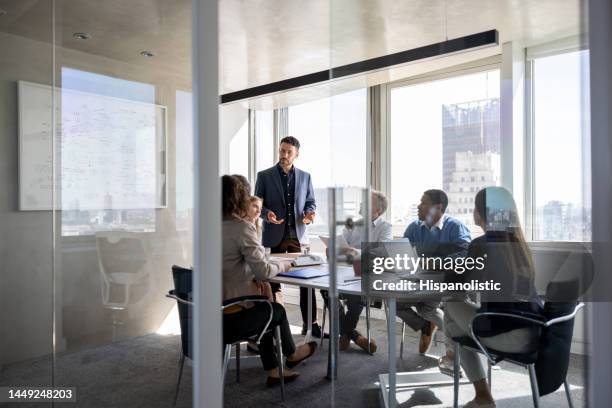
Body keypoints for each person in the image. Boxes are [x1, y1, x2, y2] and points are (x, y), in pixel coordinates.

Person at [444, 186, 543, 408]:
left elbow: (455, 284)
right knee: (455, 329)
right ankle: (454, 360)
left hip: (508, 334)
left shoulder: (481, 245)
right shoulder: (517, 243)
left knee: (450, 304)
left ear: (479, 213)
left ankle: (461, 369)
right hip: (535, 330)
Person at [222, 175, 317, 386]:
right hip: (229, 321)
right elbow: (264, 271)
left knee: (263, 302)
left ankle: (273, 370)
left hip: (207, 315)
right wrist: (286, 264)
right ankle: (291, 354)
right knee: (276, 310)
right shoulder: (241, 228)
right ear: (239, 198)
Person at [254, 136, 326, 338]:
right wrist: (266, 213)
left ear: (297, 154)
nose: (284, 155)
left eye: (288, 152)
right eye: (282, 151)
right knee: (274, 282)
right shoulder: (264, 176)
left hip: (297, 236)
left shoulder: (306, 177)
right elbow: (256, 205)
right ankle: (277, 324)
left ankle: (311, 323)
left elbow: (311, 203)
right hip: (273, 236)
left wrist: (309, 214)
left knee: (306, 280)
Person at [398, 189, 471, 354]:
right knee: (394, 302)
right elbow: (402, 250)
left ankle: (455, 351)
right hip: (419, 280)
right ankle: (425, 326)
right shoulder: (414, 227)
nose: (418, 206)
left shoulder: (455, 226)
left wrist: (436, 263)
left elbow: (465, 254)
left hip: (444, 282)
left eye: (424, 203)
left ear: (438, 207)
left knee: (427, 309)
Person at [320, 190, 392, 353]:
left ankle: (346, 333)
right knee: (325, 289)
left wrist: (356, 251)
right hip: (344, 271)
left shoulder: (385, 227)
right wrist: (332, 248)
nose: (361, 204)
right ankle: (353, 335)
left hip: (367, 275)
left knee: (357, 291)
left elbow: (382, 251)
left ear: (377, 210)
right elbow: (340, 245)